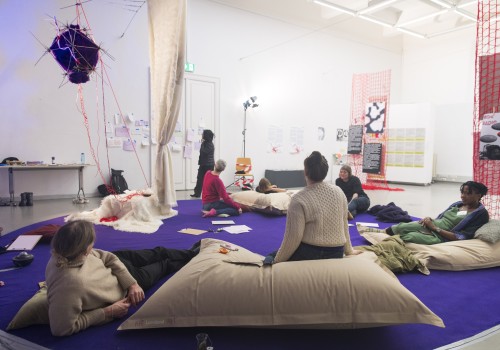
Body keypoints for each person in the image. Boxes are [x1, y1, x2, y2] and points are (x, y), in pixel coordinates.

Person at [45, 220, 199, 336]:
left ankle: (193, 253)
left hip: (122, 269)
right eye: (92, 243)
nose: (93, 246)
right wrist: (107, 312)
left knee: (159, 252)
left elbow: (107, 257)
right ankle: (196, 259)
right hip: (125, 284)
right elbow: (61, 329)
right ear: (85, 250)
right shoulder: (70, 285)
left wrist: (131, 284)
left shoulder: (65, 252)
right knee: (165, 265)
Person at [265, 151, 362, 264]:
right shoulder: (339, 192)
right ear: (325, 171)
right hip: (337, 252)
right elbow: (344, 225)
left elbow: (293, 238)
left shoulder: (299, 199)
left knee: (272, 255)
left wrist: (277, 261)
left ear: (305, 171)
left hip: (311, 252)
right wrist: (349, 251)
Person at [359, 181, 489, 245]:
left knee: (409, 237)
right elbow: (441, 217)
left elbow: (462, 236)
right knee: (401, 226)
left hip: (441, 235)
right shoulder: (458, 204)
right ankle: (380, 234)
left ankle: (380, 242)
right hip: (431, 225)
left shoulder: (480, 214)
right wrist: (429, 220)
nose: (463, 196)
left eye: (468, 193)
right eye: (462, 193)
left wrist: (435, 228)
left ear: (479, 195)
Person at [191, 129, 215, 198]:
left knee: (208, 180)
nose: (202, 135)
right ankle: (197, 193)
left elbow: (204, 152)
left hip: (209, 165)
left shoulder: (210, 144)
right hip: (203, 164)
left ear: (206, 135)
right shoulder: (205, 143)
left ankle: (210, 194)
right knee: (199, 179)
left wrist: (201, 144)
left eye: (203, 134)